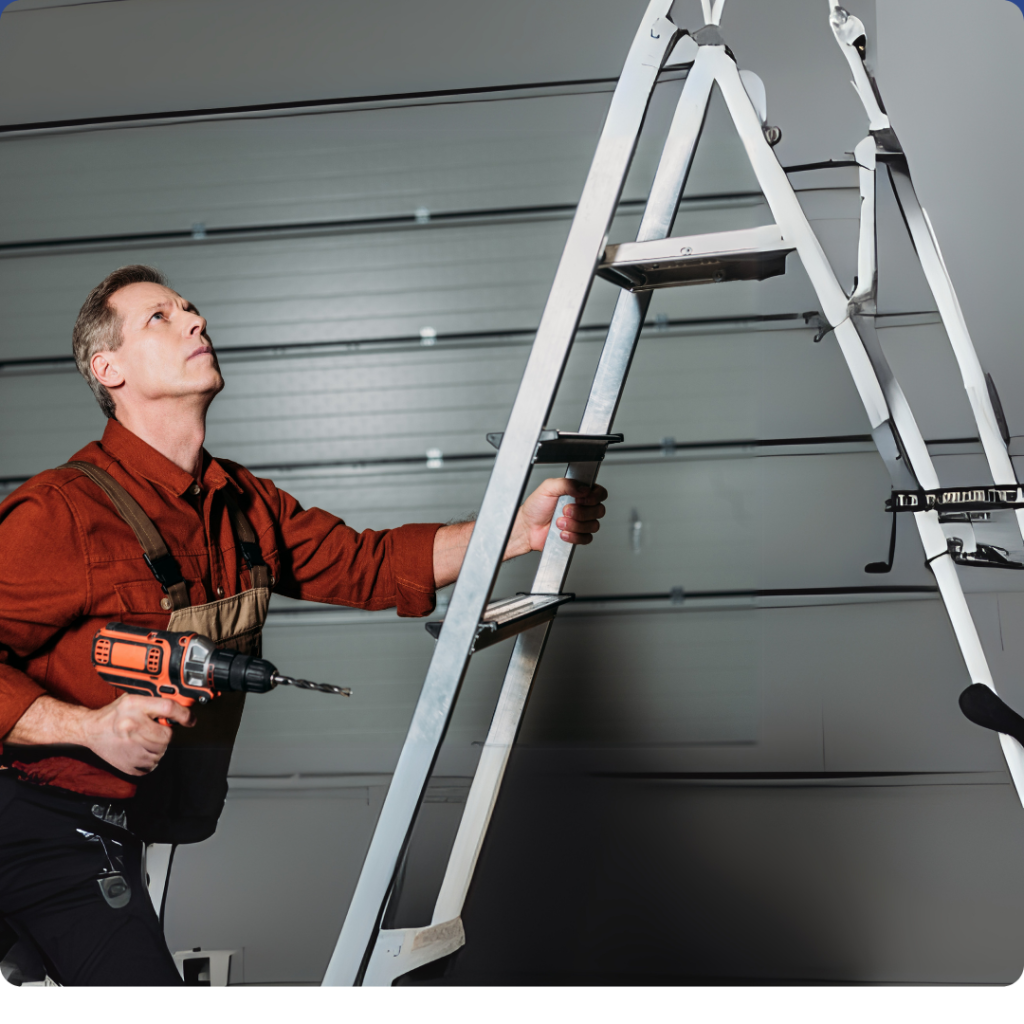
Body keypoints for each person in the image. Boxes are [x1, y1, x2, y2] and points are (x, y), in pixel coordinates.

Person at [0, 264, 607, 986]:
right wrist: (87, 727)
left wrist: (515, 531)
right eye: (160, 317)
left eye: (190, 307)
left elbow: (371, 563)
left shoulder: (239, 504)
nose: (195, 320)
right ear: (110, 370)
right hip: (36, 821)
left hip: (121, 829)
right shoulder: (61, 513)